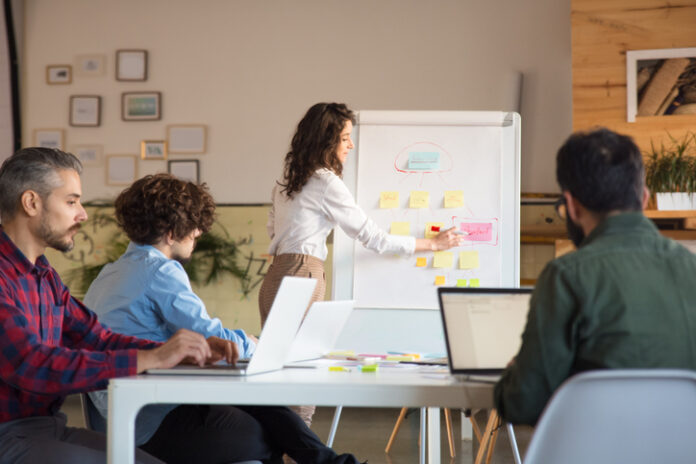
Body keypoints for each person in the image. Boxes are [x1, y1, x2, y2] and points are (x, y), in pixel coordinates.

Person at [84, 173, 362, 464]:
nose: (198, 234)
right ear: (171, 232)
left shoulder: (110, 273)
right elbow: (207, 333)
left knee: (267, 411)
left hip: (120, 415)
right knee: (267, 434)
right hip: (148, 420)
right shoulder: (160, 271)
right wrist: (256, 344)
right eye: (194, 227)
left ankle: (333, 462)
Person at [0, 148, 236, 464]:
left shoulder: (44, 275)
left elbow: (99, 338)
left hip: (46, 427)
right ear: (31, 203)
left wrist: (179, 354)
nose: (82, 214)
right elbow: (33, 365)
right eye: (71, 202)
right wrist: (152, 357)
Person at [259, 102, 463, 425]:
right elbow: (375, 238)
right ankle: (299, 457)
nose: (351, 145)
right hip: (303, 273)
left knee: (276, 375)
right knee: (303, 376)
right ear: (326, 141)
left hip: (275, 277)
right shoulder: (326, 182)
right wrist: (433, 244)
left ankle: (278, 454)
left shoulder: (286, 181)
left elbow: (273, 229)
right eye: (345, 138)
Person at [494, 128, 696, 426]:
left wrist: (514, 375)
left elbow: (523, 403)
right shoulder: (690, 268)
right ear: (643, 198)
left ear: (571, 206)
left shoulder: (566, 277)